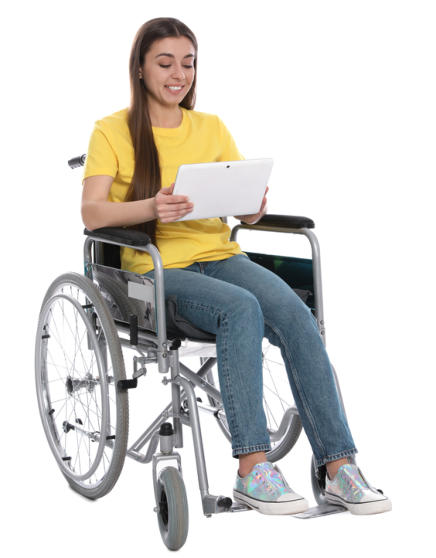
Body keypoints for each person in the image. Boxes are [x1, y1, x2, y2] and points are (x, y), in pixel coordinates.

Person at [81, 17, 391, 516]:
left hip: (220, 255)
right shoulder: (112, 130)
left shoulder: (211, 127)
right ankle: (252, 469)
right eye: (165, 63)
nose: (178, 73)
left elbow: (239, 202)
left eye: (188, 62)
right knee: (241, 309)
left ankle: (340, 467)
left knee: (294, 313)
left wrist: (251, 207)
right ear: (140, 68)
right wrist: (150, 208)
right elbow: (92, 213)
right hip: (153, 269)